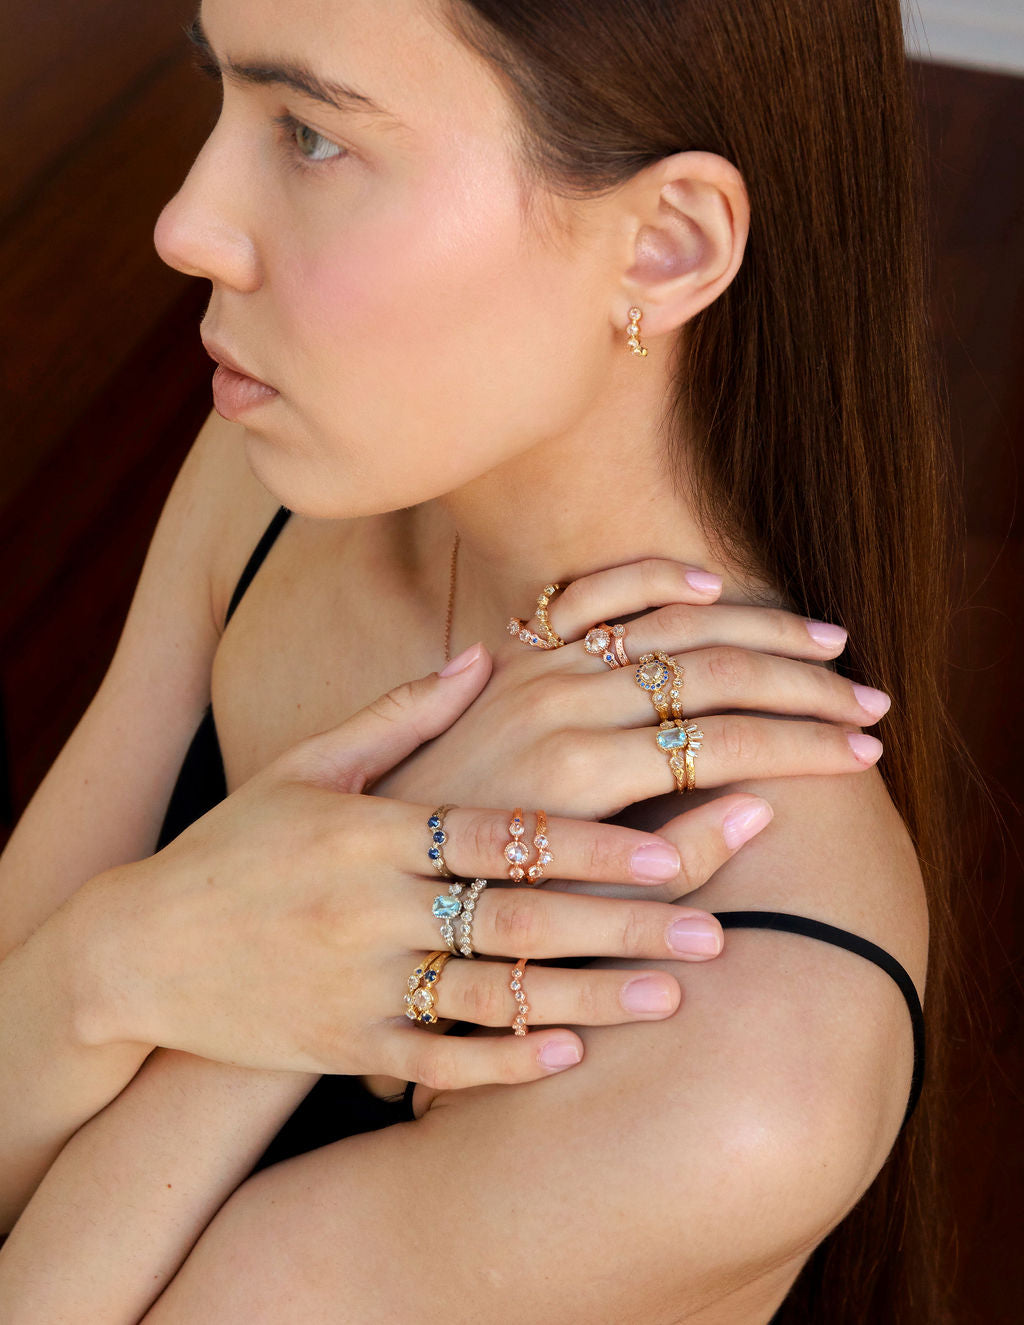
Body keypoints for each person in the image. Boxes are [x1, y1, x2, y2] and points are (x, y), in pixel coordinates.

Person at [0, 0, 954, 1321]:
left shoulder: (754, 1060)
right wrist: (123, 957)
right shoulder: (282, 474)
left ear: (665, 245)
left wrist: (322, 905)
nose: (186, 222)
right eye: (218, 91)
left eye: (310, 132)